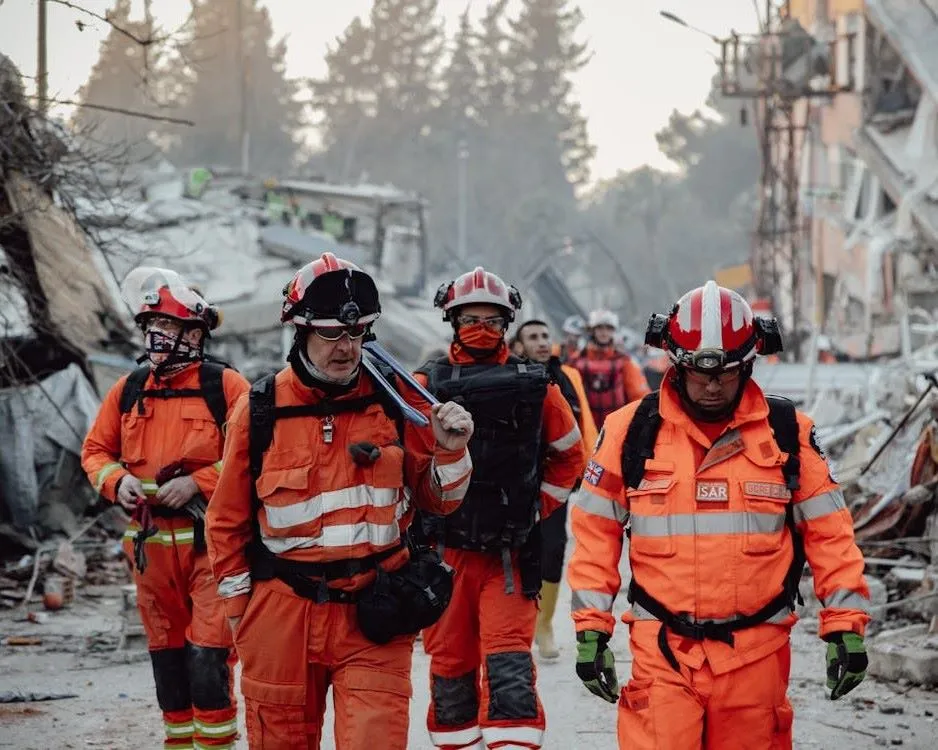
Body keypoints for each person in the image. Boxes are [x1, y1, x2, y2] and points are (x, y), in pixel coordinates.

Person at [567, 281, 871, 750]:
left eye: (727, 373)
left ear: (749, 364)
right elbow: (594, 533)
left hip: (757, 656)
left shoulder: (787, 434)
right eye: (699, 373)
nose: (713, 385)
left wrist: (845, 623)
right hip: (662, 653)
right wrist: (591, 627)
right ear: (675, 363)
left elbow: (830, 534)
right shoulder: (631, 432)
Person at [205, 253, 474, 750]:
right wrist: (241, 615)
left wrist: (452, 454)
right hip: (280, 615)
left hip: (377, 611)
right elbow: (226, 522)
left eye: (356, 334)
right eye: (331, 334)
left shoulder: (399, 402)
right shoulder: (260, 410)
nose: (346, 348)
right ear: (300, 332)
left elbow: (439, 504)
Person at [416, 267, 586, 750]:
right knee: (450, 667)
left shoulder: (536, 385)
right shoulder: (427, 382)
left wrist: (537, 509)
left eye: (493, 321)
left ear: (508, 323)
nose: (482, 329)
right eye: (471, 319)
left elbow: (570, 455)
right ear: (451, 319)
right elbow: (405, 456)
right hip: (446, 553)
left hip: (509, 557)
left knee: (509, 664)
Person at [82, 267, 249, 750]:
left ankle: (215, 745)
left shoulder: (227, 388)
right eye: (152, 326)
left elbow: (255, 460)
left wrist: (199, 482)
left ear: (195, 334)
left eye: (169, 327)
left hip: (210, 551)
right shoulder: (129, 389)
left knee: (208, 658)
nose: (157, 336)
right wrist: (118, 481)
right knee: (169, 664)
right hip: (151, 553)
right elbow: (95, 452)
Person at [514, 318, 598, 660]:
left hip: (555, 478)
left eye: (546, 335)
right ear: (518, 346)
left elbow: (584, 422)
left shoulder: (567, 376)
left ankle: (544, 623)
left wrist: (588, 467)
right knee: (517, 550)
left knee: (554, 546)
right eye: (533, 336)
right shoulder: (508, 375)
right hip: (516, 479)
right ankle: (519, 622)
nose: (542, 341)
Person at [568, 309, 650, 428]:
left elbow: (638, 395)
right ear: (592, 330)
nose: (604, 332)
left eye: (608, 328)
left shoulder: (623, 361)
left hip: (616, 426)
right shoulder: (576, 361)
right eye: (600, 328)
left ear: (613, 331)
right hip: (586, 426)